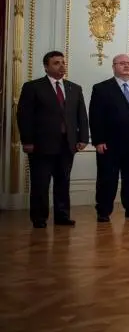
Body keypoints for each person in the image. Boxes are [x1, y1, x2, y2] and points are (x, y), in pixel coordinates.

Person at [17, 51, 88, 228]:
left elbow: (81, 116)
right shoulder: (33, 87)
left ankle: (62, 216)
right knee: (40, 183)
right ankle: (39, 218)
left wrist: (83, 138)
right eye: (56, 63)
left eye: (63, 62)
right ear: (46, 66)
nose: (62, 66)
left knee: (63, 182)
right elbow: (24, 116)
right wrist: (27, 141)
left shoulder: (74, 88)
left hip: (67, 144)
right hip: (41, 145)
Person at [89, 53, 129, 223]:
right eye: (122, 63)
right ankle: (103, 211)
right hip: (110, 144)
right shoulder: (102, 88)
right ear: (114, 67)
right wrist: (98, 140)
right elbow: (95, 117)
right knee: (107, 179)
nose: (126, 66)